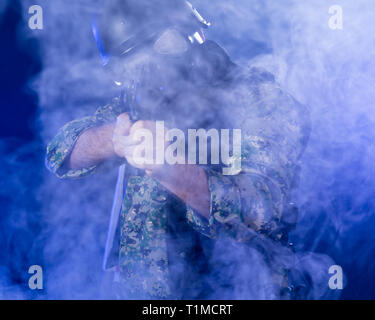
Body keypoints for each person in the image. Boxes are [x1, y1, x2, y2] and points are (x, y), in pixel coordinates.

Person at [45, 0, 310, 299]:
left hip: (243, 289)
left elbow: (260, 209)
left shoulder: (258, 101)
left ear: (190, 36)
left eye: (158, 51)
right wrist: (115, 138)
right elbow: (60, 153)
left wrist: (172, 171)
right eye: (131, 67)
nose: (148, 73)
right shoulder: (138, 101)